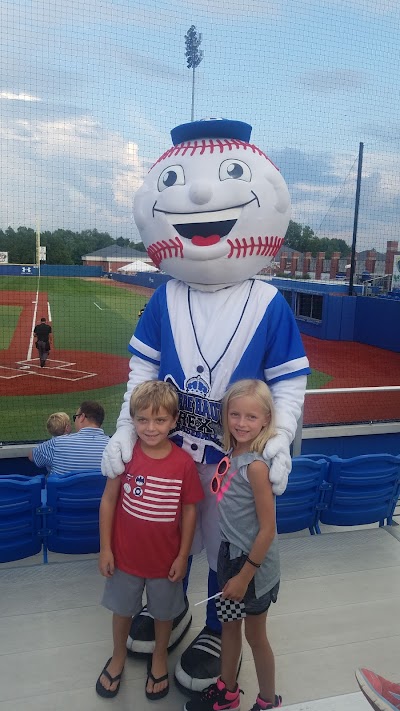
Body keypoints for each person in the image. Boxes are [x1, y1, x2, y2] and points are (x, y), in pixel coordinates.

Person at [101, 118, 310, 691]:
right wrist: (125, 427)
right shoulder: (164, 295)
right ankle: (170, 607)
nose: (196, 196)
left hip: (233, 462)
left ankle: (220, 624)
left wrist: (280, 441)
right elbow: (142, 370)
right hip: (169, 449)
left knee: (227, 545)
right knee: (171, 537)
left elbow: (289, 384)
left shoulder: (269, 301)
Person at [96, 381, 204, 700]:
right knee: (122, 611)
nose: (150, 428)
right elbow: (108, 501)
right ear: (132, 420)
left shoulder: (184, 463)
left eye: (159, 420)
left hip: (165, 561)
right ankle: (118, 657)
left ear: (173, 421)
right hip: (124, 558)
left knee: (163, 614)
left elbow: (189, 512)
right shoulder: (126, 457)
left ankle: (159, 657)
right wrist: (105, 549)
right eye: (142, 419)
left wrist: (183, 555)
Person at [184, 379, 281, 711]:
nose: (242, 423)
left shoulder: (255, 466)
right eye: (235, 415)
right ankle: (227, 692)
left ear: (267, 419)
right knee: (229, 628)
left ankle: (268, 701)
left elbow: (267, 529)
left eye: (251, 417)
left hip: (252, 569)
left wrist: (244, 576)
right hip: (229, 559)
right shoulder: (231, 452)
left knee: (255, 637)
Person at [29, 401, 109, 474]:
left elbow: (32, 456)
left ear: (82, 417)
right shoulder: (112, 445)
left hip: (61, 490)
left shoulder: (56, 443)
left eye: (75, 417)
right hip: (100, 490)